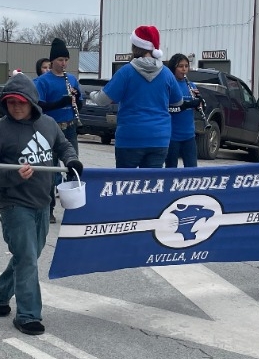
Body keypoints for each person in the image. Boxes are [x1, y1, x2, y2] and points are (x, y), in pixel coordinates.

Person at [0, 72, 82, 336]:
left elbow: (63, 145)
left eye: (21, 102)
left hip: (43, 203)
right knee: (27, 259)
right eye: (10, 102)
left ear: (32, 101)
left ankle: (0, 291)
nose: (16, 106)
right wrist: (12, 175)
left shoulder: (48, 124)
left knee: (29, 256)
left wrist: (71, 161)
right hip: (14, 204)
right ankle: (28, 315)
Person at [90, 25, 182, 168]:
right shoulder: (167, 74)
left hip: (130, 137)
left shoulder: (126, 72)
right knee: (151, 186)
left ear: (135, 46)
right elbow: (178, 101)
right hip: (159, 138)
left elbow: (103, 100)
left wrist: (92, 94)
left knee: (126, 184)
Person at [33, 39, 82, 223]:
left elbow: (80, 103)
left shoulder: (71, 79)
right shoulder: (42, 81)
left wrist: (78, 101)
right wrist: (61, 102)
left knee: (73, 167)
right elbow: (39, 106)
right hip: (50, 130)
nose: (64, 64)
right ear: (53, 61)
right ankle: (49, 208)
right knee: (51, 171)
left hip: (69, 128)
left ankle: (73, 207)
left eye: (66, 60)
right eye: (60, 60)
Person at [165, 53, 204, 168]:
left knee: (192, 170)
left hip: (189, 136)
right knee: (171, 169)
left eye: (186, 66)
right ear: (174, 68)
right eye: (180, 66)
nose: (184, 69)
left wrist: (199, 104)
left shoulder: (191, 85)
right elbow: (168, 108)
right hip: (172, 136)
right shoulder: (170, 84)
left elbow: (197, 105)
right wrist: (186, 105)